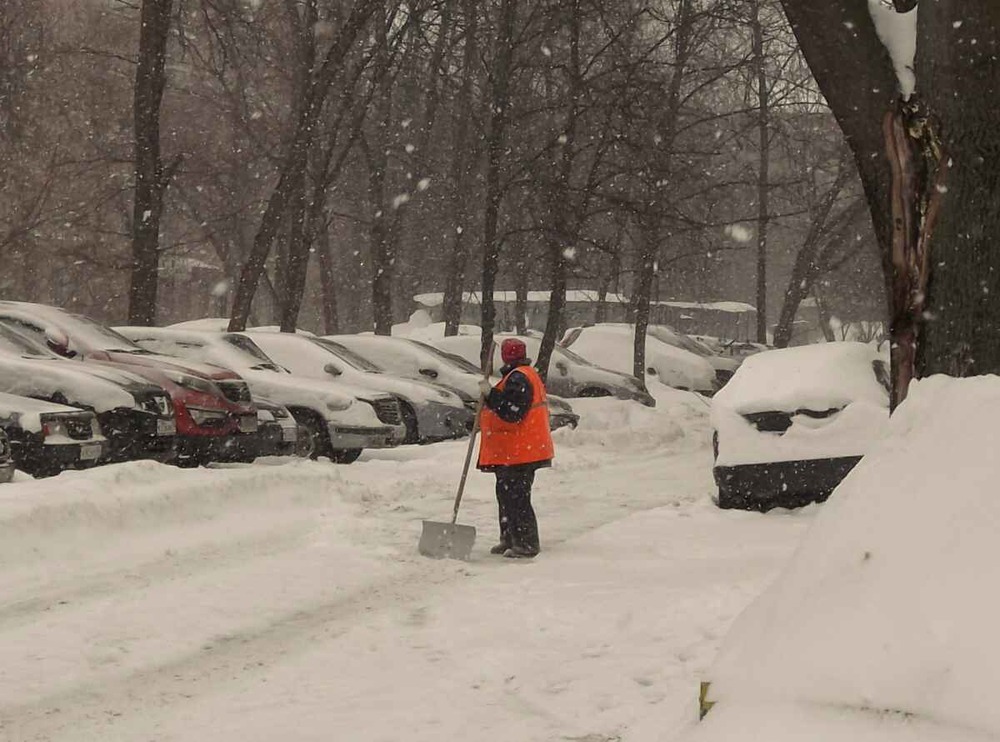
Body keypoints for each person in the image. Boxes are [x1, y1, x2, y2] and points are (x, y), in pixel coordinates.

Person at [477, 337, 554, 558]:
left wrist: (491, 395)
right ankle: (510, 538)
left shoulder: (519, 378)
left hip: (521, 451)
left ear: (506, 356)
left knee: (517, 497)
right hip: (516, 450)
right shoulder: (519, 375)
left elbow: (512, 412)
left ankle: (526, 543)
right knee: (506, 494)